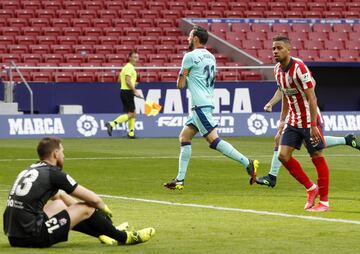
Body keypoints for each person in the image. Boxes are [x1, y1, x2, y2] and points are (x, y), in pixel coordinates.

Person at [3, 137, 155, 248]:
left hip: (14, 235)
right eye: (62, 152)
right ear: (55, 154)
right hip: (32, 236)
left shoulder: (31, 169)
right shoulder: (53, 173)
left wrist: (99, 225)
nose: (64, 155)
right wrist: (103, 208)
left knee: (60, 203)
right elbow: (93, 200)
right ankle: (125, 237)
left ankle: (104, 232)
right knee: (87, 208)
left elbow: (60, 196)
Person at [163, 26, 259, 190]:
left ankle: (247, 162)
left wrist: (182, 77)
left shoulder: (190, 57)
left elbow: (180, 85)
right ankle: (179, 180)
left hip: (199, 105)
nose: (187, 38)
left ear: (195, 39)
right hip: (204, 103)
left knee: (213, 140)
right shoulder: (211, 57)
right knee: (184, 137)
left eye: (190, 35)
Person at [269, 35, 333, 212]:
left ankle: (325, 202)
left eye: (279, 48)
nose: (275, 51)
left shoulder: (299, 68)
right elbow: (285, 95)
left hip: (310, 119)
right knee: (283, 155)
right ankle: (312, 189)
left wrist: (313, 125)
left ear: (289, 50)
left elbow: (312, 97)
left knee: (317, 156)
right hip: (293, 120)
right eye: (274, 48)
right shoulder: (276, 70)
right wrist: (282, 121)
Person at [256, 89, 360, 188]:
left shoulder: (301, 73)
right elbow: (282, 90)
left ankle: (346, 140)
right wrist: (271, 103)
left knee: (311, 143)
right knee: (279, 139)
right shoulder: (281, 73)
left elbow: (310, 93)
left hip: (306, 112)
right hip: (294, 112)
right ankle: (272, 176)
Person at [106, 51, 140, 138]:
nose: (137, 59)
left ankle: (131, 133)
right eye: (135, 57)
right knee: (131, 114)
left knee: (133, 113)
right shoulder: (130, 67)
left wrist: (133, 83)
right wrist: (135, 90)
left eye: (137, 57)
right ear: (130, 58)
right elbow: (127, 80)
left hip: (125, 92)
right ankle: (112, 124)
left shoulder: (125, 67)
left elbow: (119, 80)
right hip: (127, 92)